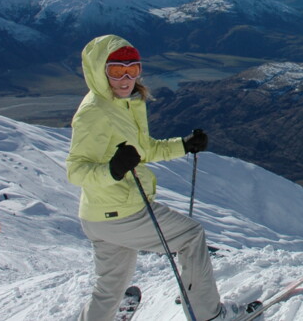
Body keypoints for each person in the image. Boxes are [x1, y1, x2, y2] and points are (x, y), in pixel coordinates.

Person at [66, 34, 239, 321]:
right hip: (121, 212)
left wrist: (183, 145)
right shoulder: (94, 112)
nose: (126, 79)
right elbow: (76, 170)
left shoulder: (118, 105)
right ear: (100, 71)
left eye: (132, 69)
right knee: (191, 236)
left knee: (111, 285)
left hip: (100, 216)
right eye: (116, 71)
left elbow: (143, 151)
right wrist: (113, 170)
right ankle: (209, 315)